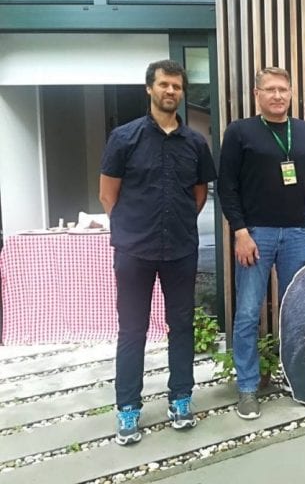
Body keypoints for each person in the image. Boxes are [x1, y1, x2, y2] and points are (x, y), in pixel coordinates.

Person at [99, 59, 217, 445]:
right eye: (164, 85)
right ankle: (127, 408)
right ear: (149, 88)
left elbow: (199, 195)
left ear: (182, 93)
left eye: (177, 86)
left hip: (181, 249)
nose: (171, 92)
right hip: (134, 250)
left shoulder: (196, 143)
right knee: (132, 329)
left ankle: (181, 398)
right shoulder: (124, 137)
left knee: (181, 326)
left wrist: (175, 222)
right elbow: (108, 195)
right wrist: (136, 227)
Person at [218, 67, 305, 420]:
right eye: (269, 89)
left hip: (297, 235)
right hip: (255, 234)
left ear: (291, 93)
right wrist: (240, 232)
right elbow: (227, 187)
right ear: (256, 94)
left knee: (296, 310)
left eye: (283, 89)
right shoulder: (240, 132)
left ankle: (296, 378)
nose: (277, 95)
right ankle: (247, 387)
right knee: (247, 313)